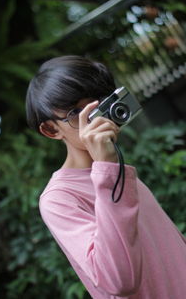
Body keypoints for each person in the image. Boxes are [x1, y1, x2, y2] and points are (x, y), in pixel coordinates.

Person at [26, 55, 186, 299]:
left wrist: (107, 168)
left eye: (99, 104)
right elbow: (120, 281)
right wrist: (106, 168)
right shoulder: (58, 198)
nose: (95, 118)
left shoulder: (115, 170)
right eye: (76, 113)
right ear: (51, 129)